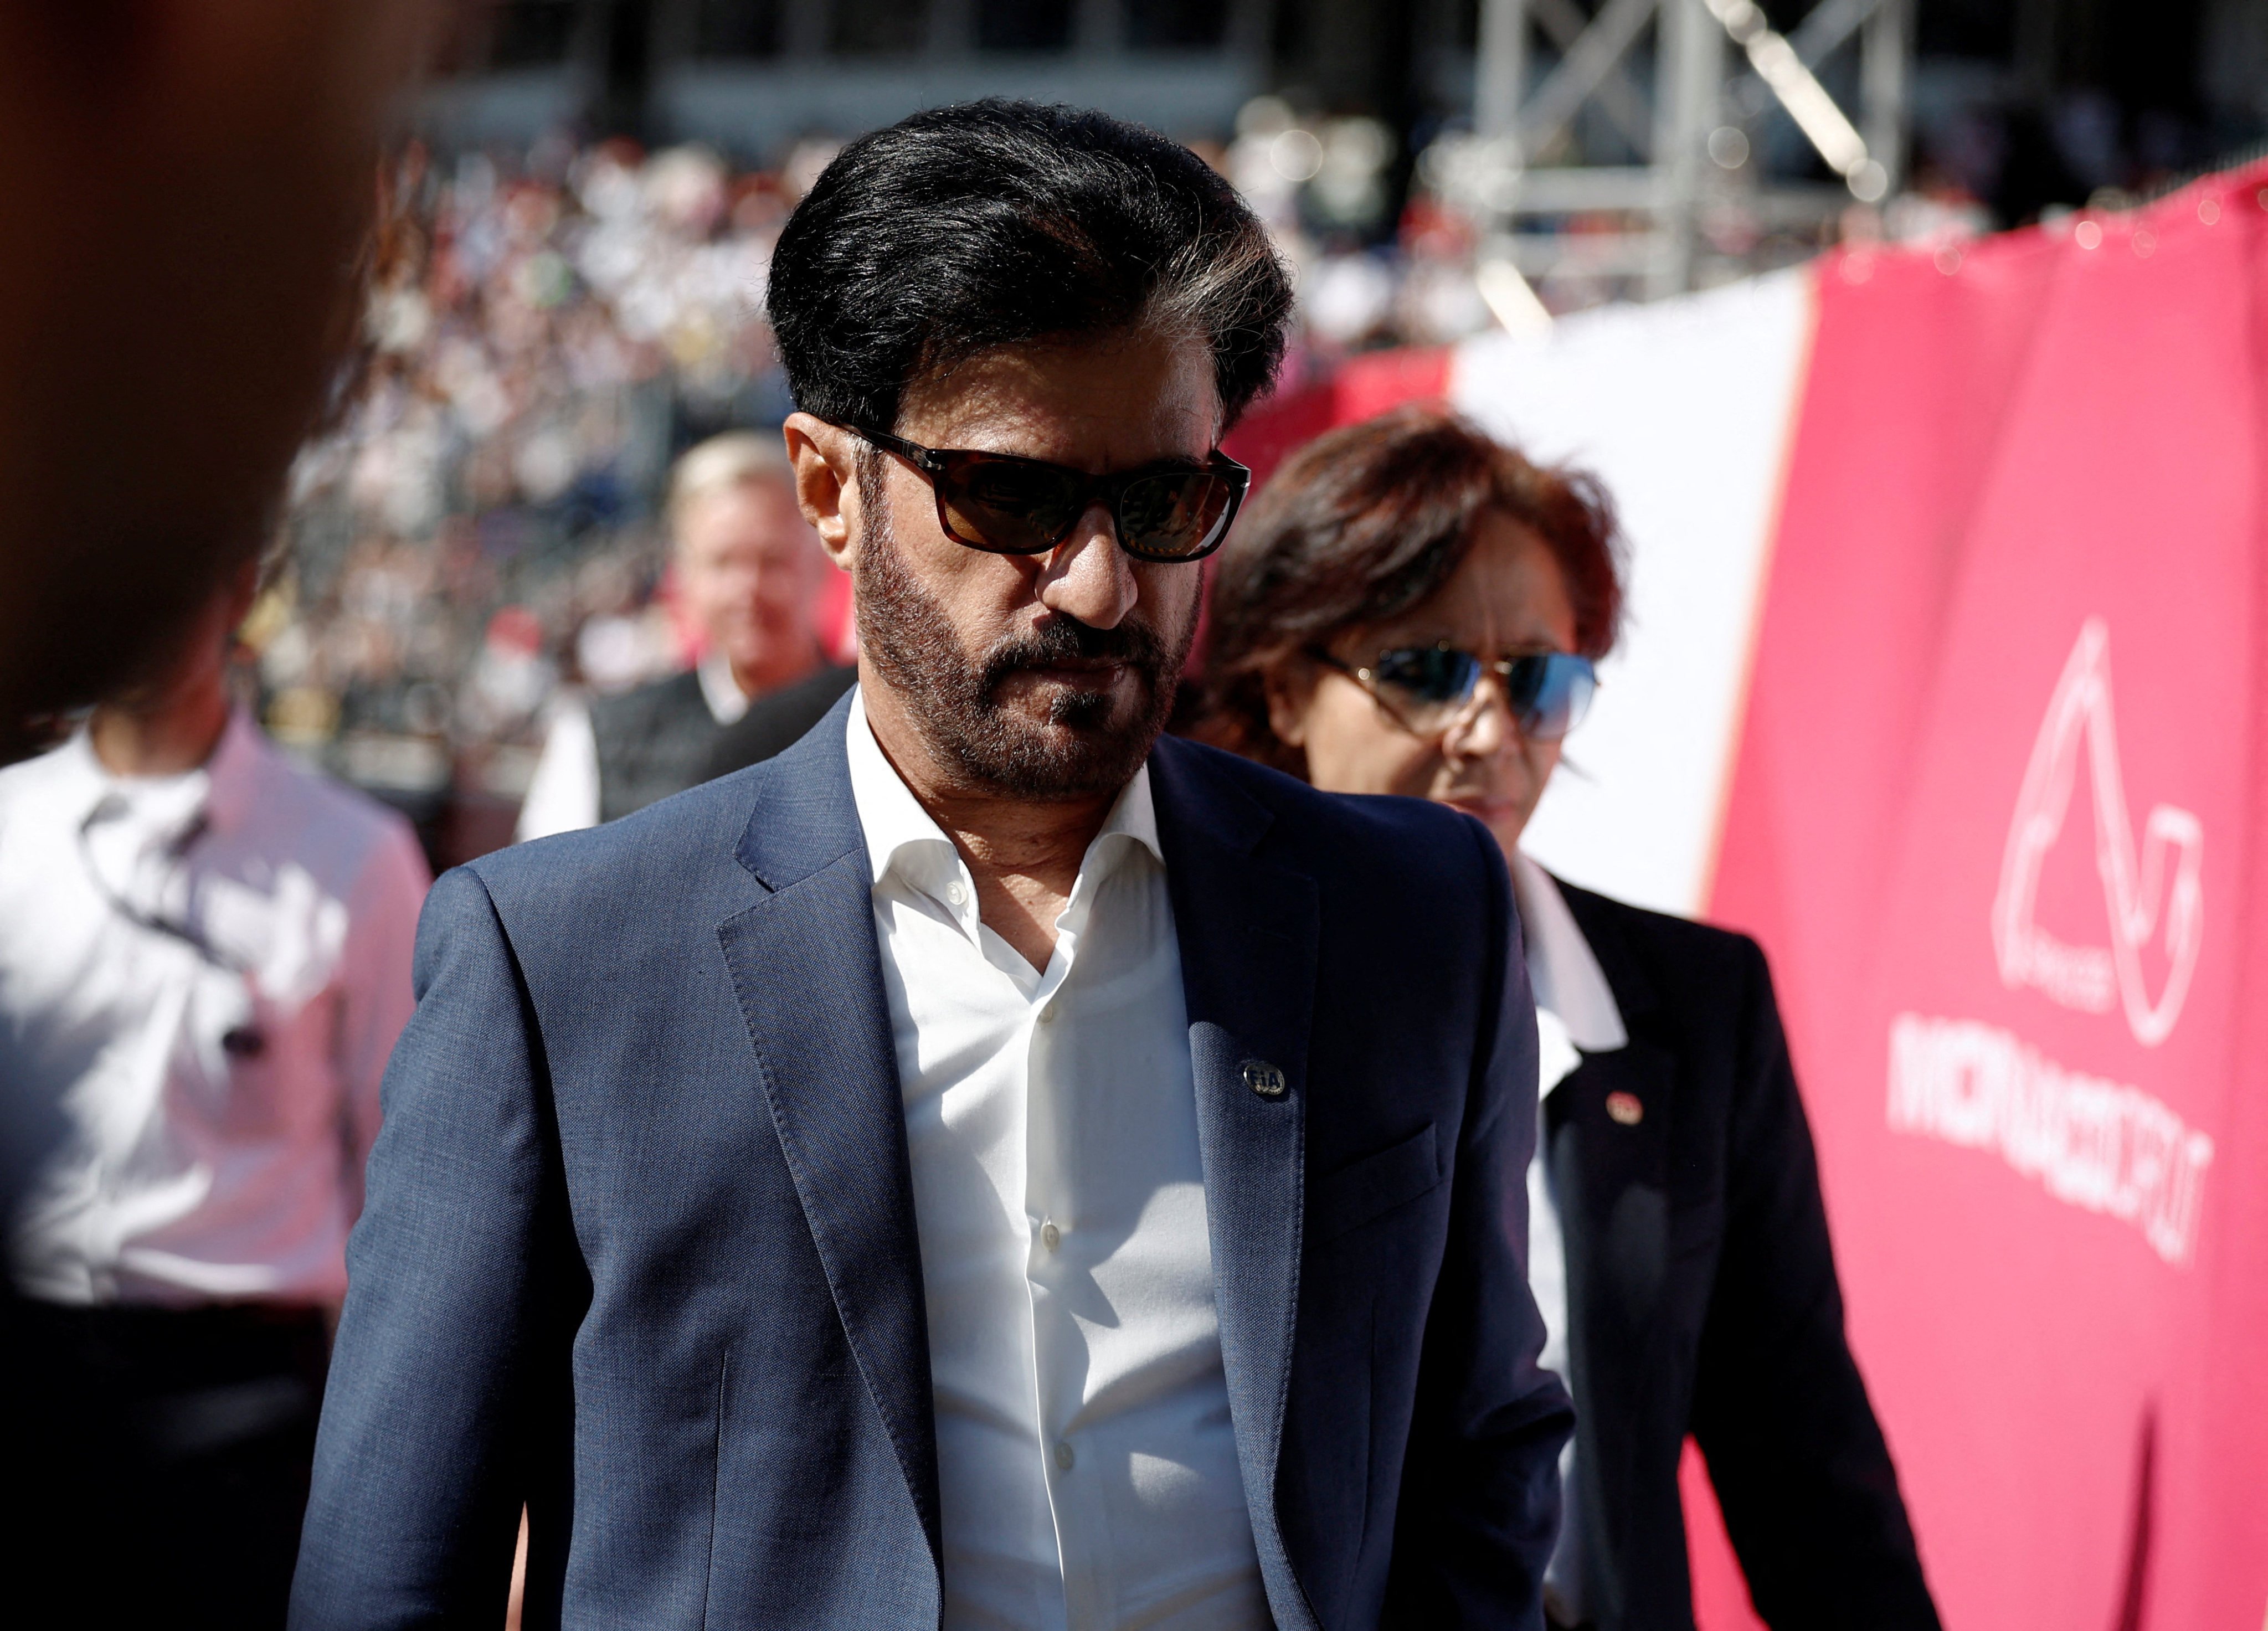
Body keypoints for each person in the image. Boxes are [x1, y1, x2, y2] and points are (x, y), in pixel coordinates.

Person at [294, 102, 1572, 1630]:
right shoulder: (561, 962)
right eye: (1013, 500)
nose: (1101, 584)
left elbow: (1477, 1450)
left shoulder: (1409, 918)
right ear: (830, 492)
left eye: (1162, 504)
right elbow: (390, 1568)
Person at [1193, 406, 1940, 1631]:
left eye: (1535, 678)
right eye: (1426, 669)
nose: (1490, 733)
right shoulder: (1169, 980)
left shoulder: (1697, 1008)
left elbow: (1803, 1460)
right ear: (1284, 685)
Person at [0, 560, 430, 1627]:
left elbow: (411, 1179)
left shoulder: (356, 855)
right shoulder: (10, 826)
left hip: (246, 1403)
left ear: (244, 592)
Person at [515, 431, 851, 838]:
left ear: (820, 562)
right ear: (684, 574)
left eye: (773, 560)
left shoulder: (872, 726)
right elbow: (550, 895)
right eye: (722, 563)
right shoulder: (600, 740)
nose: (747, 589)